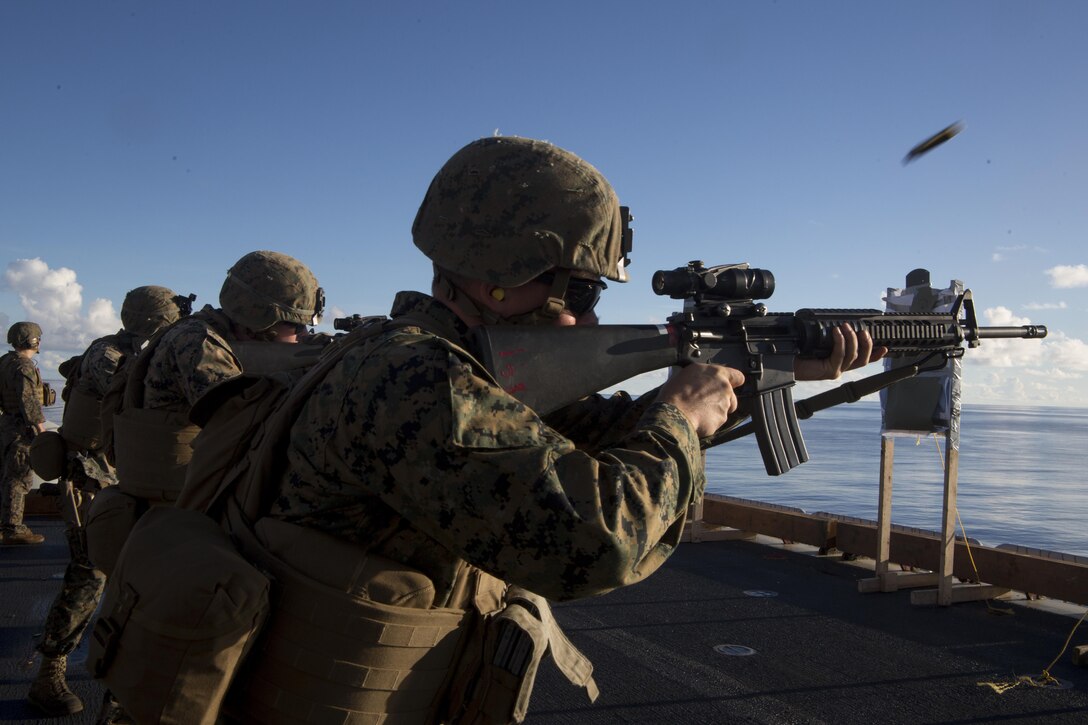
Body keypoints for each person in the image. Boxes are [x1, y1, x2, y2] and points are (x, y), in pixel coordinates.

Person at [213, 136, 885, 723]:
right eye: (583, 293)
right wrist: (680, 416)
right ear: (500, 278)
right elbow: (595, 539)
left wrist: (767, 371)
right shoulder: (418, 383)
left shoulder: (434, 362)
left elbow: (588, 433)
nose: (590, 320)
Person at [95, 250, 322, 723]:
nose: (300, 337)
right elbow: (238, 414)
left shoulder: (200, 335)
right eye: (294, 327)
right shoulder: (195, 341)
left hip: (175, 521)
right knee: (153, 677)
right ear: (260, 317)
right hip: (169, 526)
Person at [27, 286, 192, 717]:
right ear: (157, 321)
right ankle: (50, 671)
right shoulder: (110, 354)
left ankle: (121, 696)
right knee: (90, 576)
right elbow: (137, 386)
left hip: (127, 480)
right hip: (91, 481)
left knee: (138, 585)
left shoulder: (133, 351)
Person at [0, 321, 49, 545]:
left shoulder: (5, 362)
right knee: (18, 479)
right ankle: (13, 529)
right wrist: (41, 430)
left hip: (6, 425)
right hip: (21, 430)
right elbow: (29, 401)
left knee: (6, 476)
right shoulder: (24, 366)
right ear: (34, 341)